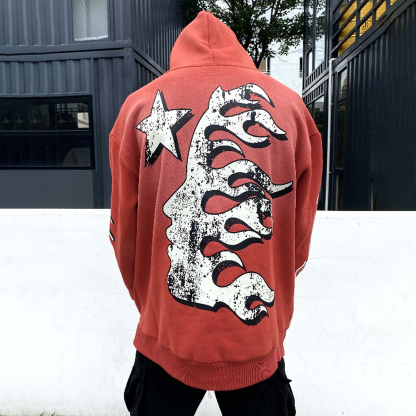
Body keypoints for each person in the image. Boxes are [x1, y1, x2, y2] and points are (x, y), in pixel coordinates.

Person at [109, 10, 323, 416]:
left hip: (166, 330)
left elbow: (125, 237)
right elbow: (299, 234)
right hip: (257, 331)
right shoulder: (292, 109)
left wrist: (152, 302)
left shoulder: (137, 109)